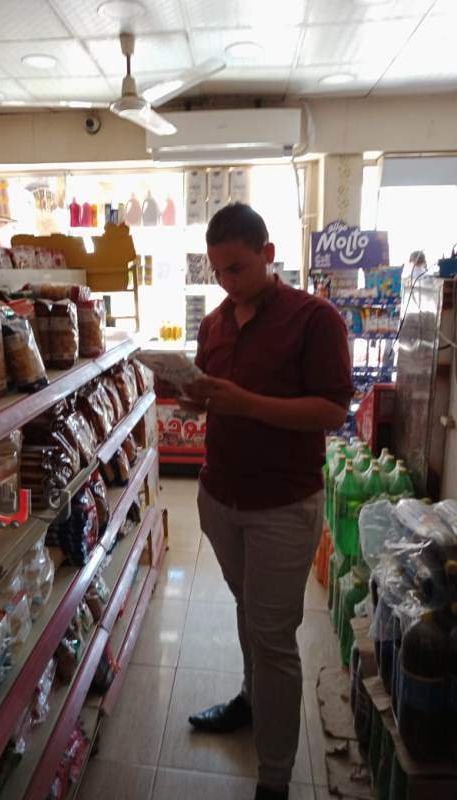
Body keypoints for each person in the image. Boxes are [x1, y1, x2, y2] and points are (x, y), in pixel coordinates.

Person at [182, 204, 353, 800]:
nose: (226, 282)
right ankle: (251, 700)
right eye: (218, 272)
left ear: (268, 254)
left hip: (282, 503)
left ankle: (274, 778)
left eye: (237, 268)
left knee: (274, 636)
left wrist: (246, 403)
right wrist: (189, 394)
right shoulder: (215, 324)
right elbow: (210, 395)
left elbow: (332, 410)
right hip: (219, 494)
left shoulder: (315, 319)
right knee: (246, 608)